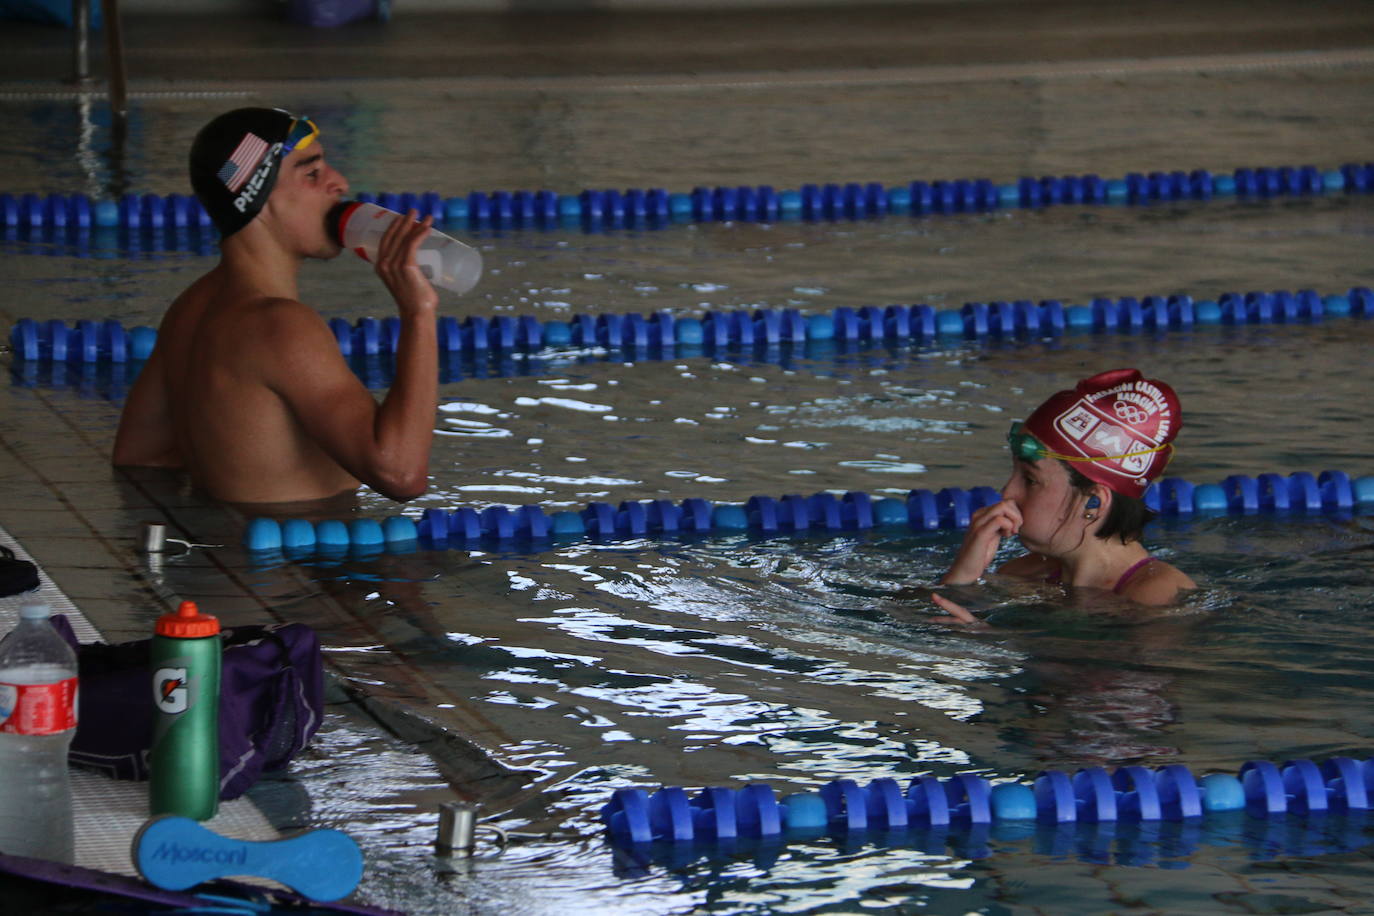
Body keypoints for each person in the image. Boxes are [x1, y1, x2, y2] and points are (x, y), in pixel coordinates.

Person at [112, 107, 440, 506]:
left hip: (241, 553)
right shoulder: (281, 327)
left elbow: (139, 455)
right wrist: (418, 313)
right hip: (304, 564)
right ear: (258, 201)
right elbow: (402, 476)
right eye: (311, 173)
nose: (340, 182)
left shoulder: (193, 306)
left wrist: (239, 466)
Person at [932, 368, 1195, 623]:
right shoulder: (1023, 575)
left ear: (1094, 502)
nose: (1007, 492)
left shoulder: (1159, 597)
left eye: (1030, 479)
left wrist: (992, 642)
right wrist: (962, 578)